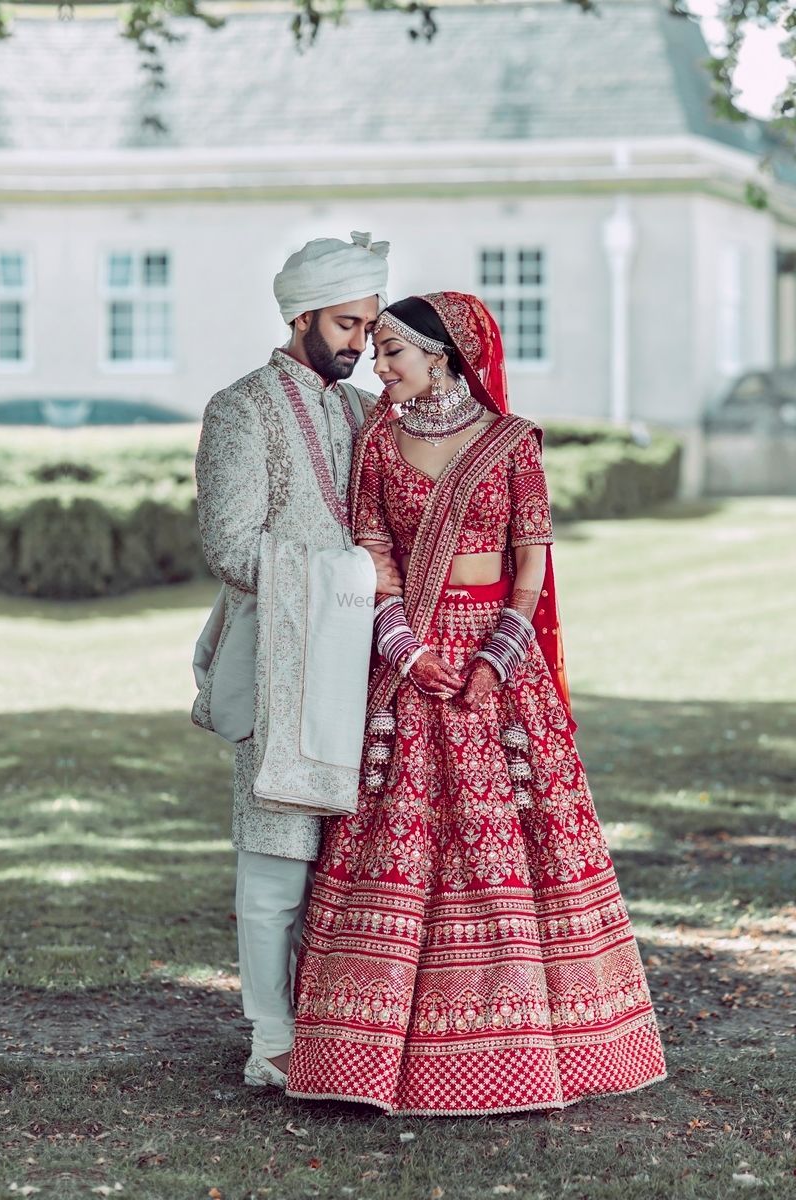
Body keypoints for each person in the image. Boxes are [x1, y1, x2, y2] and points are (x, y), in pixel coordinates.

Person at [286, 292, 667, 1116]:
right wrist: (404, 648)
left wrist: (497, 656)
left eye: (393, 351)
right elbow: (373, 552)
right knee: (401, 835)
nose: (379, 366)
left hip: (498, 658)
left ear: (443, 357)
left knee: (514, 838)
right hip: (411, 656)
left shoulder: (511, 444)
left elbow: (531, 564)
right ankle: (365, 1053)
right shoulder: (380, 442)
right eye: (377, 349)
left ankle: (538, 1042)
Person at [193, 232, 402, 1091]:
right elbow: (231, 547)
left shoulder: (361, 413)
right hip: (280, 660)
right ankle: (270, 1039)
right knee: (277, 851)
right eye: (347, 325)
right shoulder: (240, 408)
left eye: (369, 326)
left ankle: (341, 1021)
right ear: (301, 315)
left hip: (365, 661)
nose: (360, 344)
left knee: (353, 852)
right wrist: (351, 575)